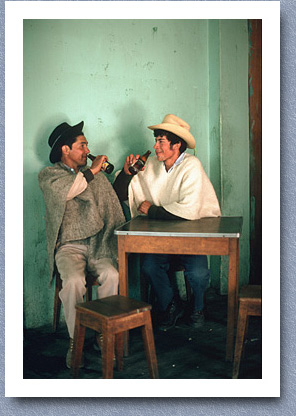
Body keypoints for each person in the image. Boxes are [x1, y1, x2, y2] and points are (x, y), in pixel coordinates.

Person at [113, 114, 221, 331]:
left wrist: (151, 210)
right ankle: (171, 304)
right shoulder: (151, 164)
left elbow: (188, 211)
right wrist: (126, 174)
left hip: (191, 234)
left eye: (161, 141)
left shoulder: (192, 165)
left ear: (177, 144)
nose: (155, 146)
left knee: (198, 273)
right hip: (159, 235)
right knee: (150, 266)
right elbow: (119, 193)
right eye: (156, 140)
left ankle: (198, 308)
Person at [39, 121, 125, 368]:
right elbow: (69, 191)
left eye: (87, 145)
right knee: (74, 282)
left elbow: (114, 200)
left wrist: (127, 173)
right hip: (69, 247)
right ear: (65, 149)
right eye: (82, 145)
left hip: (99, 242)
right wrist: (93, 171)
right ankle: (76, 340)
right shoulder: (49, 175)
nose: (88, 150)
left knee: (111, 274)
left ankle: (103, 334)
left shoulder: (93, 175)